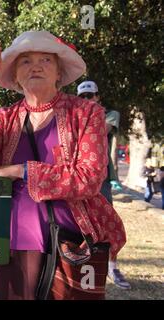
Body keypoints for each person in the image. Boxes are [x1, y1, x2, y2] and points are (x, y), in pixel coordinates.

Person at [0, 30, 126, 300]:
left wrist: (20, 170)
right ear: (14, 74)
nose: (36, 65)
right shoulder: (5, 117)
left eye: (45, 60)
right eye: (25, 61)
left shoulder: (86, 113)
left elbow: (89, 177)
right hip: (7, 242)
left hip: (69, 243)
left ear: (59, 72)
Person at [77, 80, 131, 290]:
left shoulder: (109, 114)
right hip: (79, 176)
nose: (87, 100)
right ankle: (84, 264)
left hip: (102, 178)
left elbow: (100, 129)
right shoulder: (76, 116)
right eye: (82, 97)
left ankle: (112, 267)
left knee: (107, 222)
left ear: (98, 97)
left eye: (90, 96)